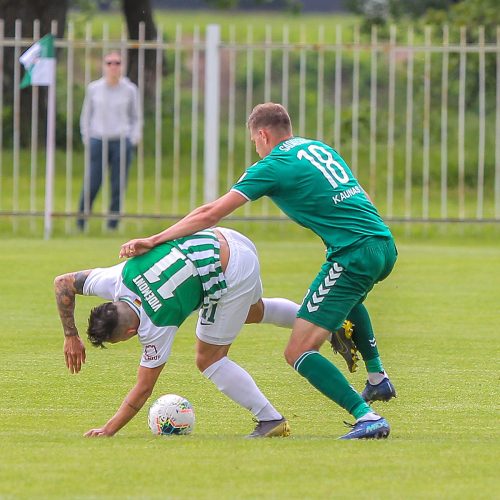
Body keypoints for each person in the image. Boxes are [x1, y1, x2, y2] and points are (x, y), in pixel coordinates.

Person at [119, 102, 398, 440]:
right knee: (350, 298)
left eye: (255, 141)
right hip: (383, 243)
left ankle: (367, 417)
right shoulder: (316, 147)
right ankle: (376, 379)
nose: (256, 147)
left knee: (298, 352)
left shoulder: (273, 165)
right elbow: (360, 194)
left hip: (352, 255)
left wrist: (155, 238)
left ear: (263, 135)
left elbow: (210, 214)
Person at [55, 227, 301, 438]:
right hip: (223, 239)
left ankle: (270, 419)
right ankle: (321, 325)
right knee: (251, 312)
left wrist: (108, 429)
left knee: (209, 359)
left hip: (230, 270)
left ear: (130, 331)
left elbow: (142, 389)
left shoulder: (156, 325)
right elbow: (63, 283)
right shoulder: (116, 278)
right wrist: (70, 335)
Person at [77, 51, 142, 230]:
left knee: (118, 183)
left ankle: (113, 223)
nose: (113, 66)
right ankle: (81, 220)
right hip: (98, 139)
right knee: (93, 181)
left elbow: (136, 116)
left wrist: (133, 138)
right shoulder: (94, 88)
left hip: (121, 140)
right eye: (109, 63)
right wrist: (87, 137)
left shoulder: (130, 89)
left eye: (117, 63)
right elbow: (86, 116)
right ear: (104, 66)